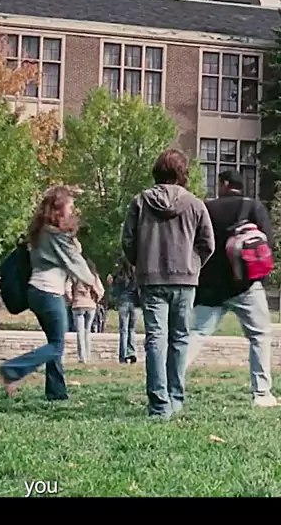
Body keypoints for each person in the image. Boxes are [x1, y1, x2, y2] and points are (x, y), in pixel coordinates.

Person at [122, 149, 215, 420]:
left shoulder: (140, 202)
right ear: (182, 173)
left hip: (151, 279)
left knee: (156, 338)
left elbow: (128, 240)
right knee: (180, 338)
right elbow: (208, 244)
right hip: (184, 280)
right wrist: (193, 265)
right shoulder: (195, 204)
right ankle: (175, 399)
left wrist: (141, 262)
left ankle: (159, 404)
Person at [186, 170, 277, 407]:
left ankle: (172, 381)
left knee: (196, 334)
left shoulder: (206, 208)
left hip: (211, 288)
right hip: (245, 285)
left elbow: (195, 245)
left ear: (224, 184)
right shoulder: (253, 206)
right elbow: (267, 242)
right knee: (259, 336)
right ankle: (262, 394)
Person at [0, 185, 96, 401]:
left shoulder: (43, 231)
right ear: (58, 209)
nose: (72, 211)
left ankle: (56, 392)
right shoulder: (54, 234)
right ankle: (13, 369)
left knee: (55, 343)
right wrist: (93, 283)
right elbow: (74, 262)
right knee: (56, 345)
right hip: (48, 292)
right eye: (70, 206)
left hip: (39, 292)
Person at [66, 259, 104, 363]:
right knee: (87, 331)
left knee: (80, 332)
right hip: (91, 306)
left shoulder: (74, 274)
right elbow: (101, 291)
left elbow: (67, 289)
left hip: (78, 305)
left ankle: (82, 357)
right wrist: (95, 300)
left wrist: (71, 300)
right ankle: (88, 355)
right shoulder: (93, 276)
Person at [110, 256, 139, 364]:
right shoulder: (136, 276)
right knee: (132, 329)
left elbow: (114, 292)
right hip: (135, 304)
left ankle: (123, 355)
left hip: (123, 303)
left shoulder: (119, 277)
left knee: (124, 330)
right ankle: (132, 352)